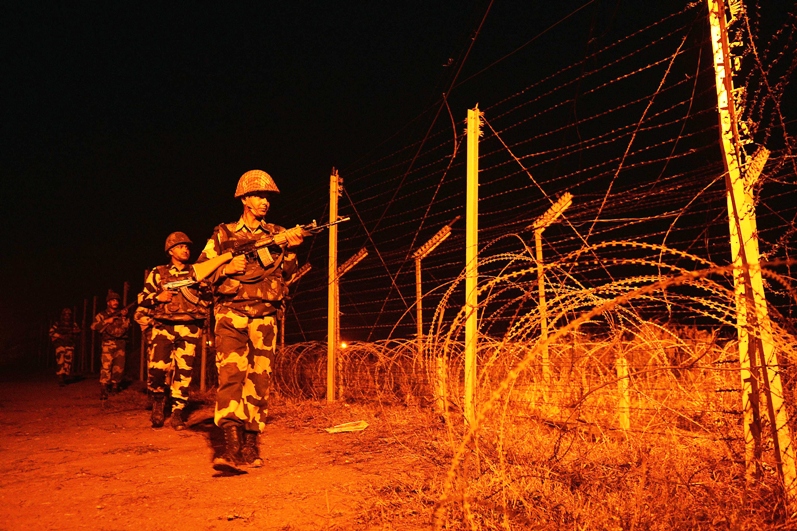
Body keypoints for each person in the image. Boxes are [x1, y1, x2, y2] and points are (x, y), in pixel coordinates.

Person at [197, 169, 305, 470]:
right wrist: (227, 269)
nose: (264, 202)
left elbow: (287, 274)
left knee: (259, 381)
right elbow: (201, 271)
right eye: (259, 195)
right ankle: (230, 447)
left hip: (265, 315)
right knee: (231, 377)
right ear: (244, 198)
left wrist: (293, 249)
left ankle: (250, 443)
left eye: (268, 197)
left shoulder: (277, 233)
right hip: (231, 314)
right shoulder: (223, 234)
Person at [137, 232, 211, 430]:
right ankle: (158, 404)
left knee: (184, 371)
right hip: (163, 326)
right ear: (170, 251)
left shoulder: (197, 271)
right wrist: (158, 298)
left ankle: (178, 411)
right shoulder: (158, 272)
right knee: (158, 369)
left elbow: (209, 298)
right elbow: (142, 298)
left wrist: (204, 290)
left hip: (189, 327)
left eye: (187, 246)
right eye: (180, 246)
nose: (185, 249)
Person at [91, 290, 130, 399]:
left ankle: (115, 387)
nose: (115, 302)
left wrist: (124, 317)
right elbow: (93, 326)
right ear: (108, 302)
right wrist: (107, 321)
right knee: (106, 366)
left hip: (121, 343)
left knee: (119, 367)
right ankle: (104, 388)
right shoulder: (102, 315)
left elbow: (126, 327)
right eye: (112, 300)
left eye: (117, 300)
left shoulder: (122, 314)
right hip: (108, 343)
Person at [49, 307, 81, 386]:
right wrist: (60, 336)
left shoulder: (73, 324)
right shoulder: (58, 324)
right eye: (65, 315)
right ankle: (60, 377)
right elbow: (51, 332)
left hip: (69, 344)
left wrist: (74, 332)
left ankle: (64, 375)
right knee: (60, 360)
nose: (67, 317)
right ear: (62, 316)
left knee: (68, 361)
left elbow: (78, 331)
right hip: (60, 344)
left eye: (68, 315)